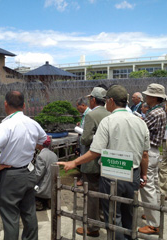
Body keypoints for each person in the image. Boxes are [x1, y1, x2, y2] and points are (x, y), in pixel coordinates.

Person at [58, 85, 149, 240]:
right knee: (130, 213)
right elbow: (145, 154)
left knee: (113, 216)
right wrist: (144, 174)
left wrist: (74, 162)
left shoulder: (108, 121)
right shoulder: (140, 121)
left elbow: (95, 151)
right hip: (133, 173)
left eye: (107, 100)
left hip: (112, 172)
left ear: (111, 101)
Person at [0, 91, 47, 240]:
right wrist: (30, 146)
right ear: (24, 105)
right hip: (28, 171)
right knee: (29, 212)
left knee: (10, 217)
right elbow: (44, 139)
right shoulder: (32, 123)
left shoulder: (6, 126)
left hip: (10, 176)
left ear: (5, 104)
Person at [77, 87, 110, 237]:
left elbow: (85, 139)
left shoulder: (91, 115)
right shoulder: (110, 114)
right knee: (104, 192)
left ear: (93, 100)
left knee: (91, 195)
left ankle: (92, 226)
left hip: (92, 160)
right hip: (107, 160)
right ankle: (103, 220)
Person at [139, 83, 167, 235]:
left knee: (147, 186)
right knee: (154, 186)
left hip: (149, 151)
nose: (146, 97)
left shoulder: (154, 113)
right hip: (154, 151)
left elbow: (141, 128)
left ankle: (153, 224)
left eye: (148, 95)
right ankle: (153, 213)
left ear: (155, 98)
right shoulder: (159, 111)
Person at [34, 135, 58, 211]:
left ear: (40, 144)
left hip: (43, 188)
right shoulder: (54, 155)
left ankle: (39, 203)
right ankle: (48, 201)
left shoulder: (41, 156)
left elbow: (38, 174)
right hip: (52, 186)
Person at [75, 97, 92, 186]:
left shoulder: (89, 113)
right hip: (82, 138)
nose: (77, 108)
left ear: (83, 105)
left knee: (84, 158)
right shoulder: (85, 114)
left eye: (77, 106)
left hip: (85, 139)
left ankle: (84, 179)